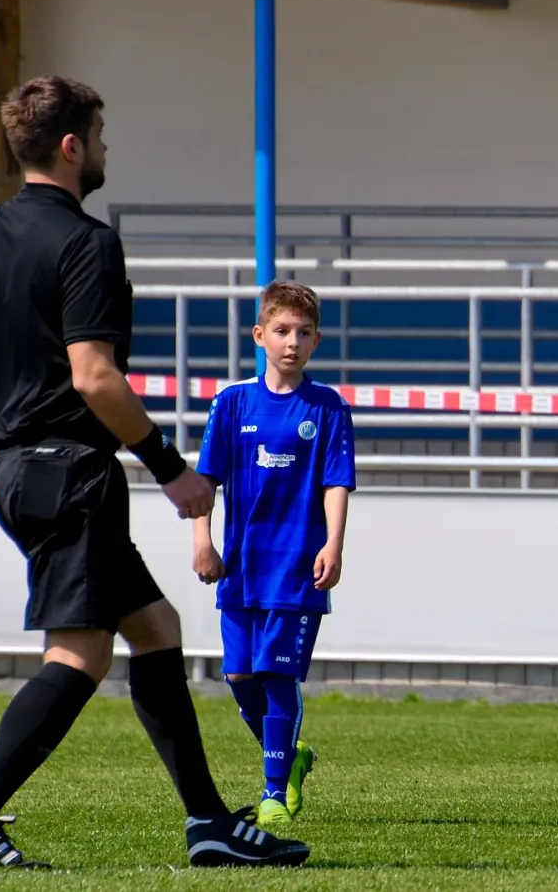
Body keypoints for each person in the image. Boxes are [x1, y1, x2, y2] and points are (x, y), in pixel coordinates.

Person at [0, 75, 308, 870]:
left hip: (15, 472)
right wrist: (172, 470)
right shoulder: (87, 242)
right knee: (80, 654)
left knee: (156, 628)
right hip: (70, 476)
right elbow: (94, 376)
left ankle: (208, 821)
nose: (105, 148)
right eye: (99, 136)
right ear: (72, 146)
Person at [192, 281, 356, 825]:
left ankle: (273, 794)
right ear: (259, 335)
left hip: (296, 567)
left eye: (304, 333)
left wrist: (334, 543)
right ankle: (290, 754)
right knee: (239, 675)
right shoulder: (231, 402)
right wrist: (202, 540)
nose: (293, 342)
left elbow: (336, 481)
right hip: (241, 567)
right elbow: (206, 480)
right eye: (282, 331)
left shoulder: (328, 407)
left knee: (278, 675)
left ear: (316, 341)